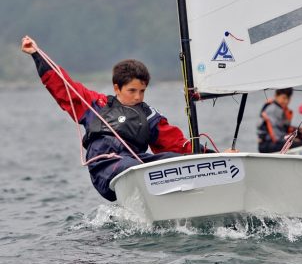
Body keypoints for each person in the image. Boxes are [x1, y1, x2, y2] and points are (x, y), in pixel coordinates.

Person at [21, 36, 233, 202]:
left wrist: (216, 158)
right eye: (132, 90)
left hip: (138, 165)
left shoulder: (149, 115)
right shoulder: (96, 105)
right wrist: (36, 54)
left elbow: (178, 144)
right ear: (117, 88)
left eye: (142, 91)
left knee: (172, 160)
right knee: (131, 166)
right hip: (107, 169)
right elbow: (62, 86)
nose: (138, 96)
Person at [257, 88, 302, 153]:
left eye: (288, 99)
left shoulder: (279, 108)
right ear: (276, 96)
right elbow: (276, 136)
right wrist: (292, 139)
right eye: (284, 98)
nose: (286, 101)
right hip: (267, 145)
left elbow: (283, 127)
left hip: (275, 141)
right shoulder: (273, 110)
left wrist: (298, 130)